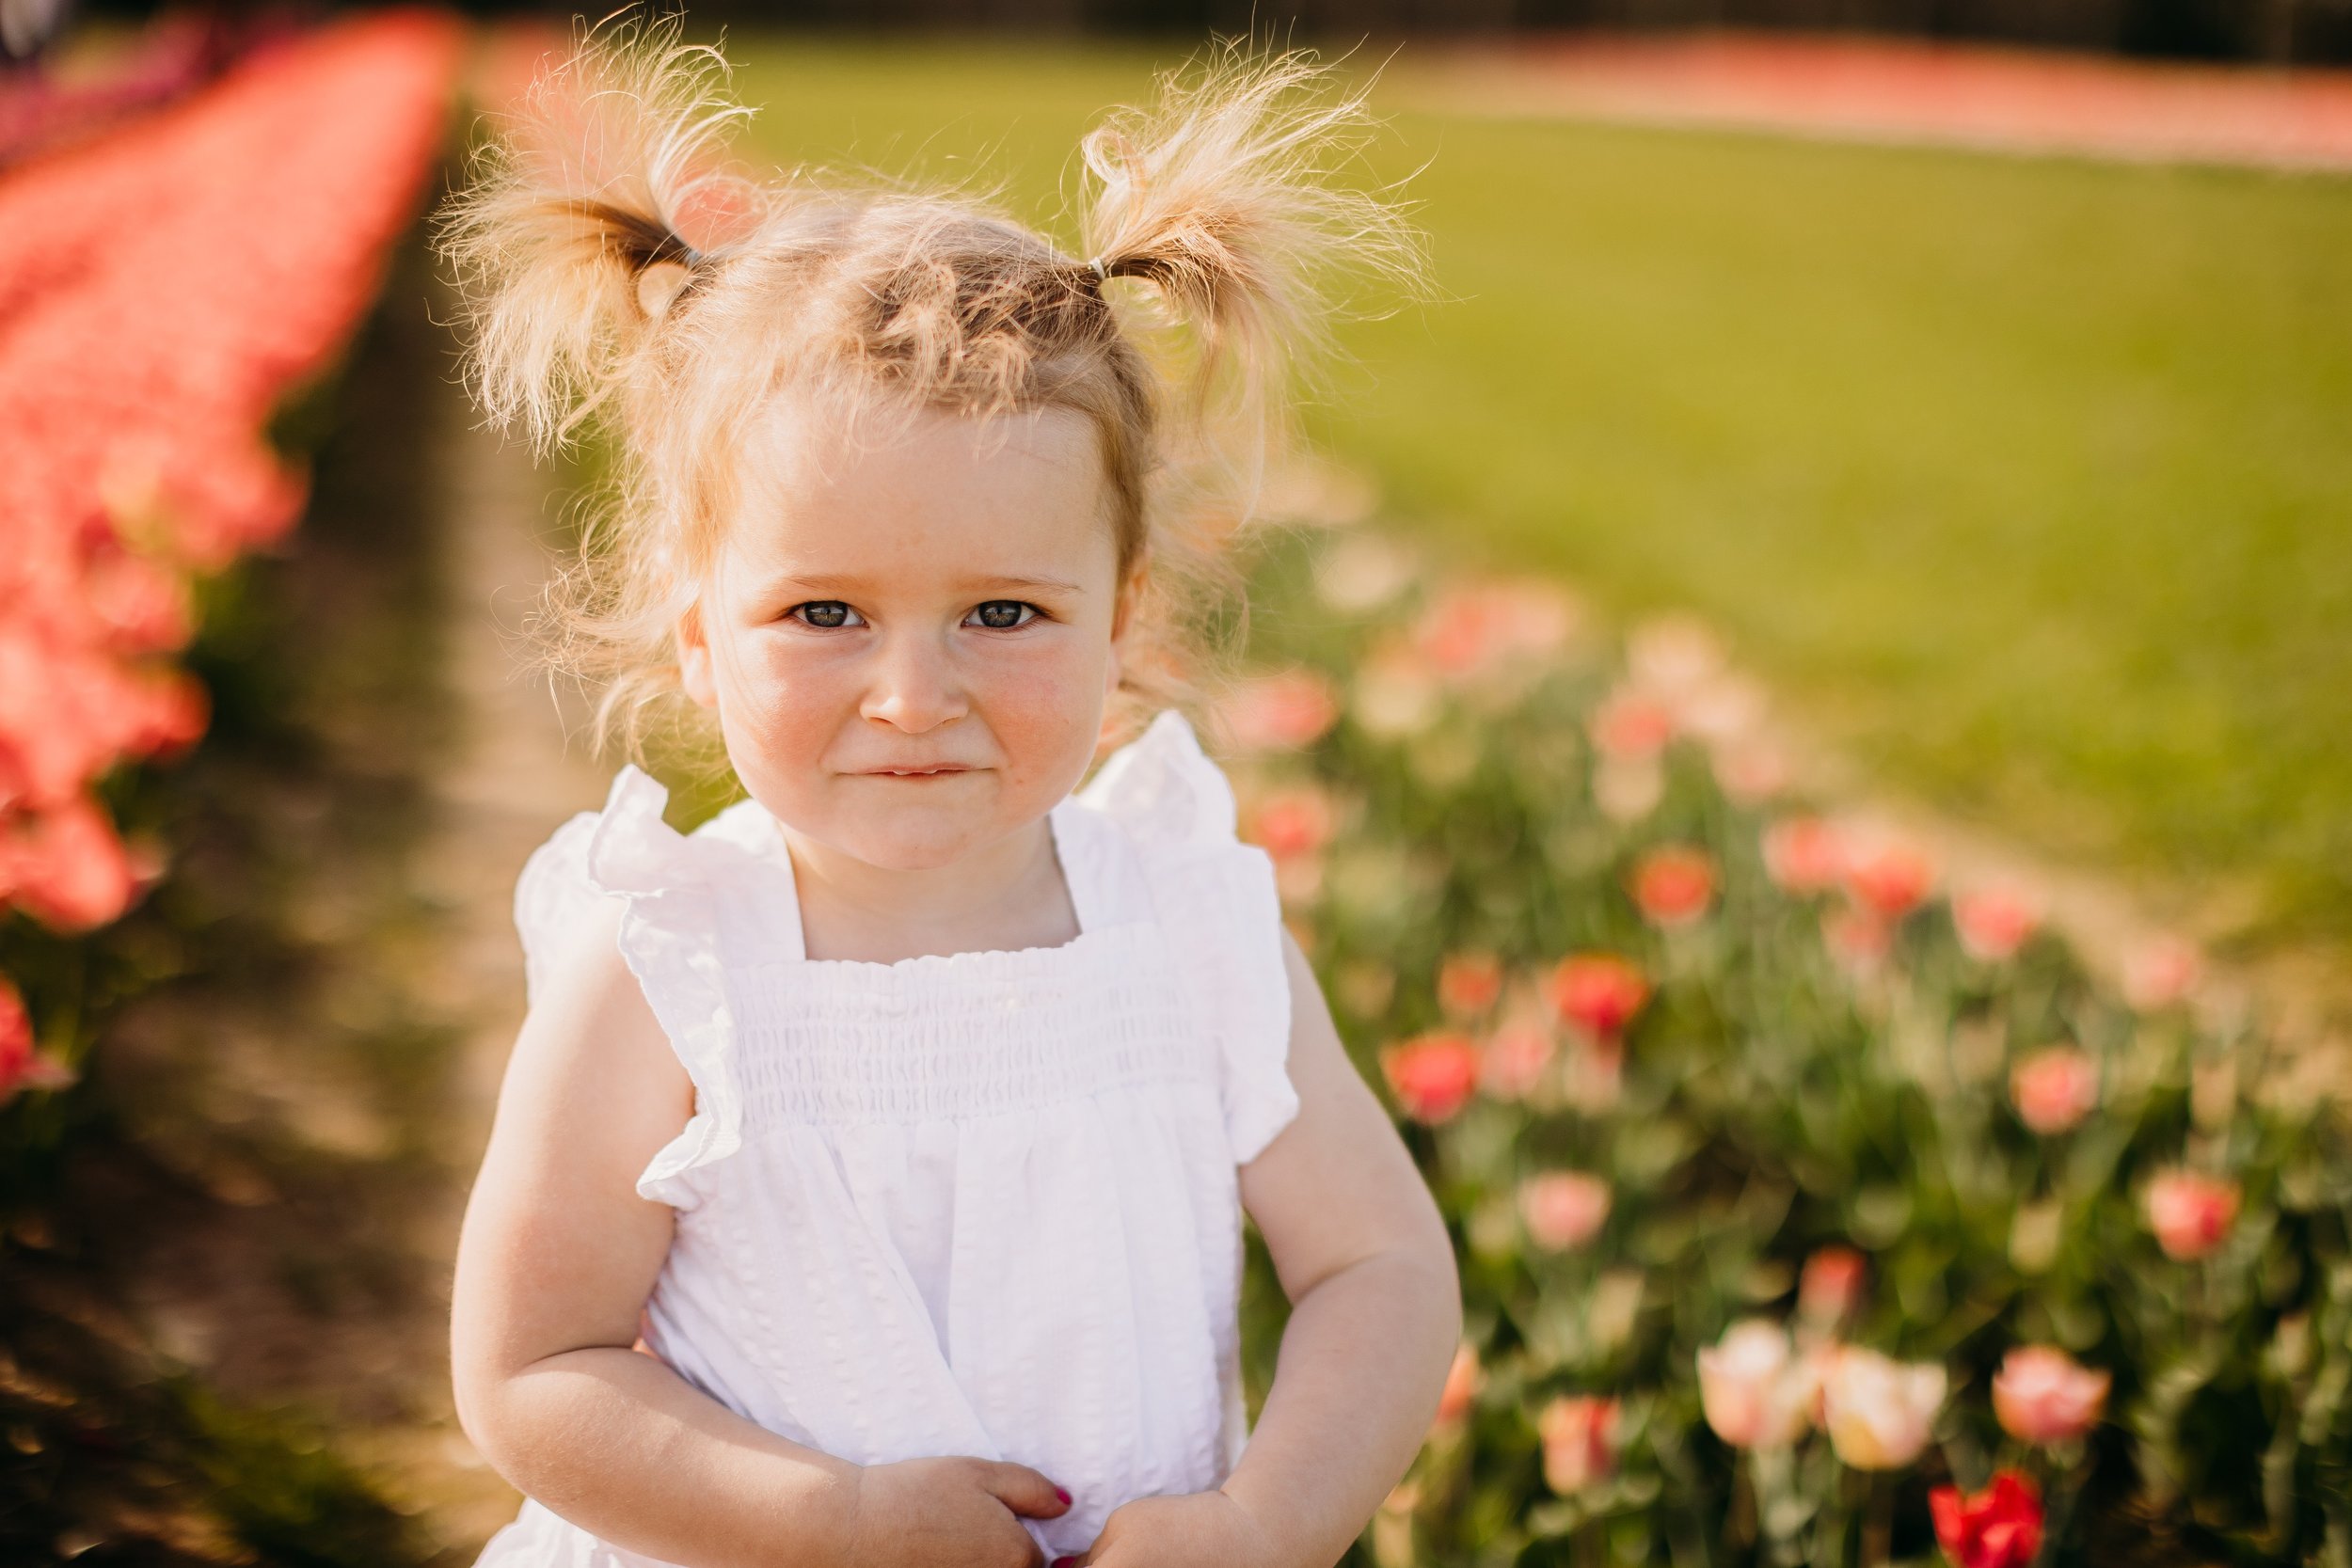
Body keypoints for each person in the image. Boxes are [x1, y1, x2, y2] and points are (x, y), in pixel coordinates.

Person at [437, 16, 1458, 1568]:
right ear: (700, 637)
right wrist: (828, 1519)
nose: (915, 697)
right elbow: (532, 1372)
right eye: (825, 615)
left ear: (1122, 619)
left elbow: (1380, 1267)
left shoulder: (1180, 925)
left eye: (1003, 614)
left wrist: (1269, 1521)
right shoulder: (670, 968)